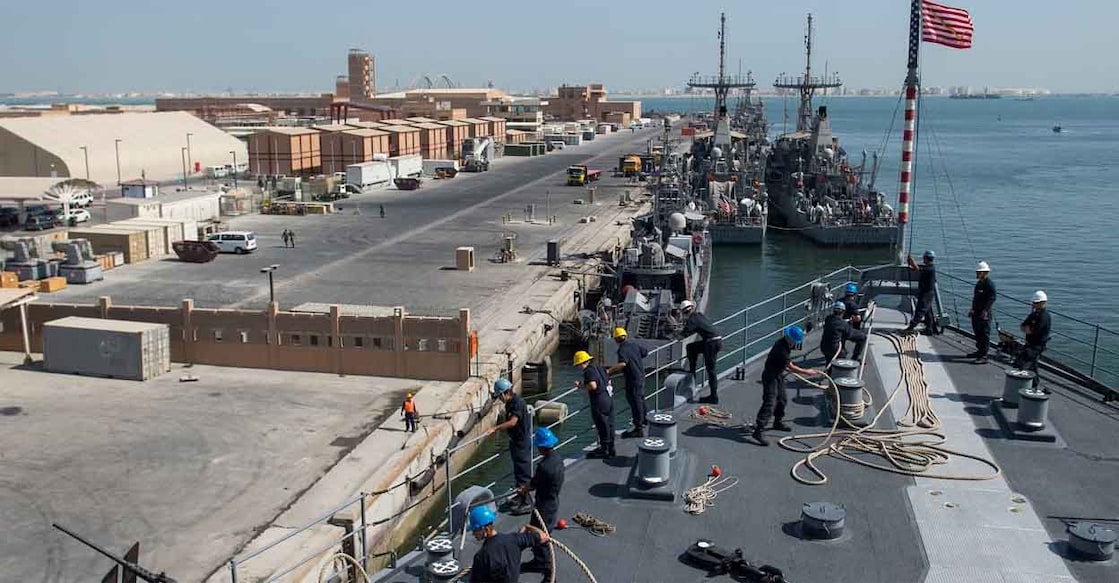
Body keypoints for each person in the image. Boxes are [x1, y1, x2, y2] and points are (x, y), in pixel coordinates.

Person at [753, 326, 821, 446]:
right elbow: (791, 366)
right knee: (770, 403)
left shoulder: (784, 344)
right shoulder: (782, 350)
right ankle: (759, 430)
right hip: (770, 377)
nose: (795, 344)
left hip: (778, 375)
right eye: (795, 342)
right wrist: (807, 372)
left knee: (782, 399)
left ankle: (777, 421)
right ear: (790, 340)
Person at [519, 427, 564, 579]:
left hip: (544, 507)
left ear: (541, 446)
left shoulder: (544, 467)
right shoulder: (557, 459)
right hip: (552, 503)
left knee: (540, 536)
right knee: (541, 534)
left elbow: (533, 484)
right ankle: (539, 561)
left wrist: (524, 489)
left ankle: (548, 572)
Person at [467, 505, 549, 583]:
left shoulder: (482, 556)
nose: (473, 534)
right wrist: (528, 527)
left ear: (486, 529)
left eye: (475, 530)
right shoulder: (514, 539)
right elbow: (543, 536)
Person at [486, 378, 533, 508]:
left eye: (499, 396)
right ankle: (520, 496)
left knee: (523, 472)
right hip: (515, 441)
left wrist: (495, 428)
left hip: (522, 442)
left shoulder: (517, 403)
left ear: (504, 393)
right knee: (518, 472)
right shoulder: (510, 403)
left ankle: (527, 501)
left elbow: (513, 422)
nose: (499, 400)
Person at [606, 327, 649, 438]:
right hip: (641, 375)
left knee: (635, 401)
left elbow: (622, 364)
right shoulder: (633, 345)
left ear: (616, 339)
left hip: (633, 379)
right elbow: (645, 352)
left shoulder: (622, 350)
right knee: (640, 399)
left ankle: (638, 428)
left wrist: (608, 371)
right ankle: (644, 420)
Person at [678, 299, 723, 404]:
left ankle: (714, 397)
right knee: (691, 347)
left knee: (711, 370)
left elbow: (685, 333)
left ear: (684, 312)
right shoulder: (699, 315)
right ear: (692, 308)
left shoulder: (691, 320)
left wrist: (676, 337)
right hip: (715, 340)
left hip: (711, 343)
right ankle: (692, 371)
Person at [574, 350, 615, 459]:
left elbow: (593, 386)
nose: (579, 367)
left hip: (599, 401)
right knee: (609, 424)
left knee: (602, 425)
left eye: (578, 365)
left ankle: (604, 450)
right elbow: (608, 379)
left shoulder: (588, 371)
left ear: (582, 363)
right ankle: (611, 448)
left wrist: (581, 386)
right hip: (608, 397)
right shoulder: (600, 367)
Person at [1016, 291, 1051, 389]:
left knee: (1025, 362)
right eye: (1034, 303)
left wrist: (1028, 329)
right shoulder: (1035, 314)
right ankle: (1034, 384)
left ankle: (1029, 384)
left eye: (1036, 303)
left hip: (1037, 345)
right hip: (1030, 343)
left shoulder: (1044, 316)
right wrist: (1027, 329)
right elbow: (1023, 326)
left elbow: (1032, 331)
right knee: (1032, 365)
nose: (1034, 304)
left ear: (1042, 303)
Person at [968, 261, 996, 364]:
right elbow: (976, 298)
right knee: (978, 333)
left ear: (984, 272)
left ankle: (984, 355)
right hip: (976, 312)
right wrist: (972, 309)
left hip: (984, 314)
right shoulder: (979, 284)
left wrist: (985, 311)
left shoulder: (989, 285)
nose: (977, 274)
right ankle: (979, 351)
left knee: (984, 334)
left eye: (979, 272)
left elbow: (991, 299)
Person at [903, 250, 938, 334]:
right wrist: (912, 263)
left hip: (926, 293)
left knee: (920, 310)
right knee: (927, 311)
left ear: (926, 258)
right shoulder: (930, 267)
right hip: (928, 292)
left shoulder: (929, 269)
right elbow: (917, 267)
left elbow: (917, 269)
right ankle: (930, 328)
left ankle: (911, 327)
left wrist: (911, 260)